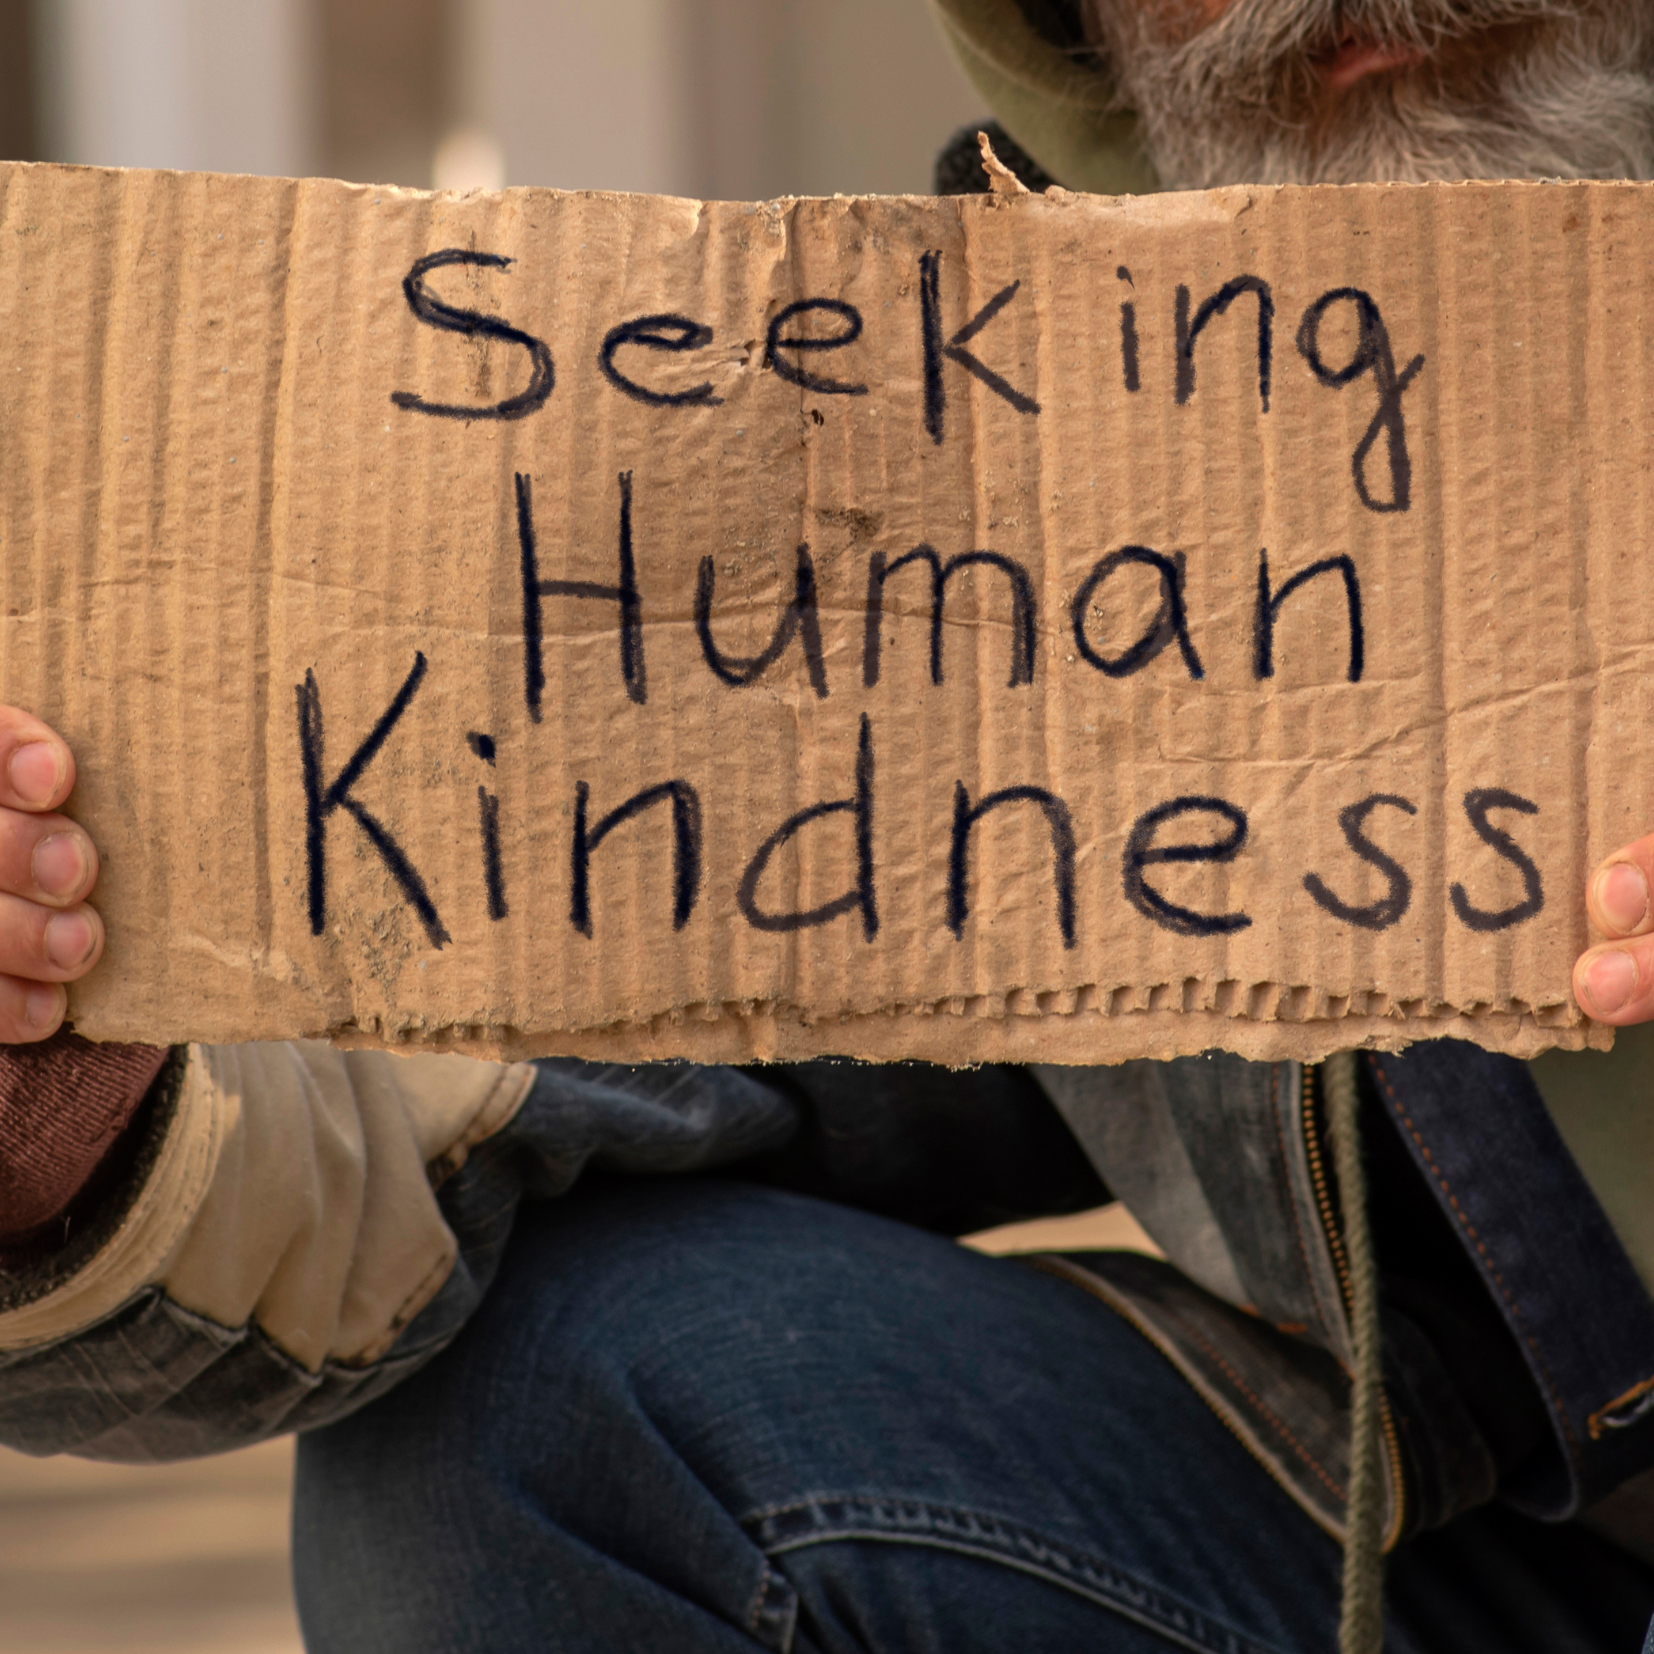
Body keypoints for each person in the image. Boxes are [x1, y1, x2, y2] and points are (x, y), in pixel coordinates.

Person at [5, 1, 1654, 1649]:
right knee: (561, 1421)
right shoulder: (1047, 463)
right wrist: (66, 1073)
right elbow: (520, 1040)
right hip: (1539, 1547)